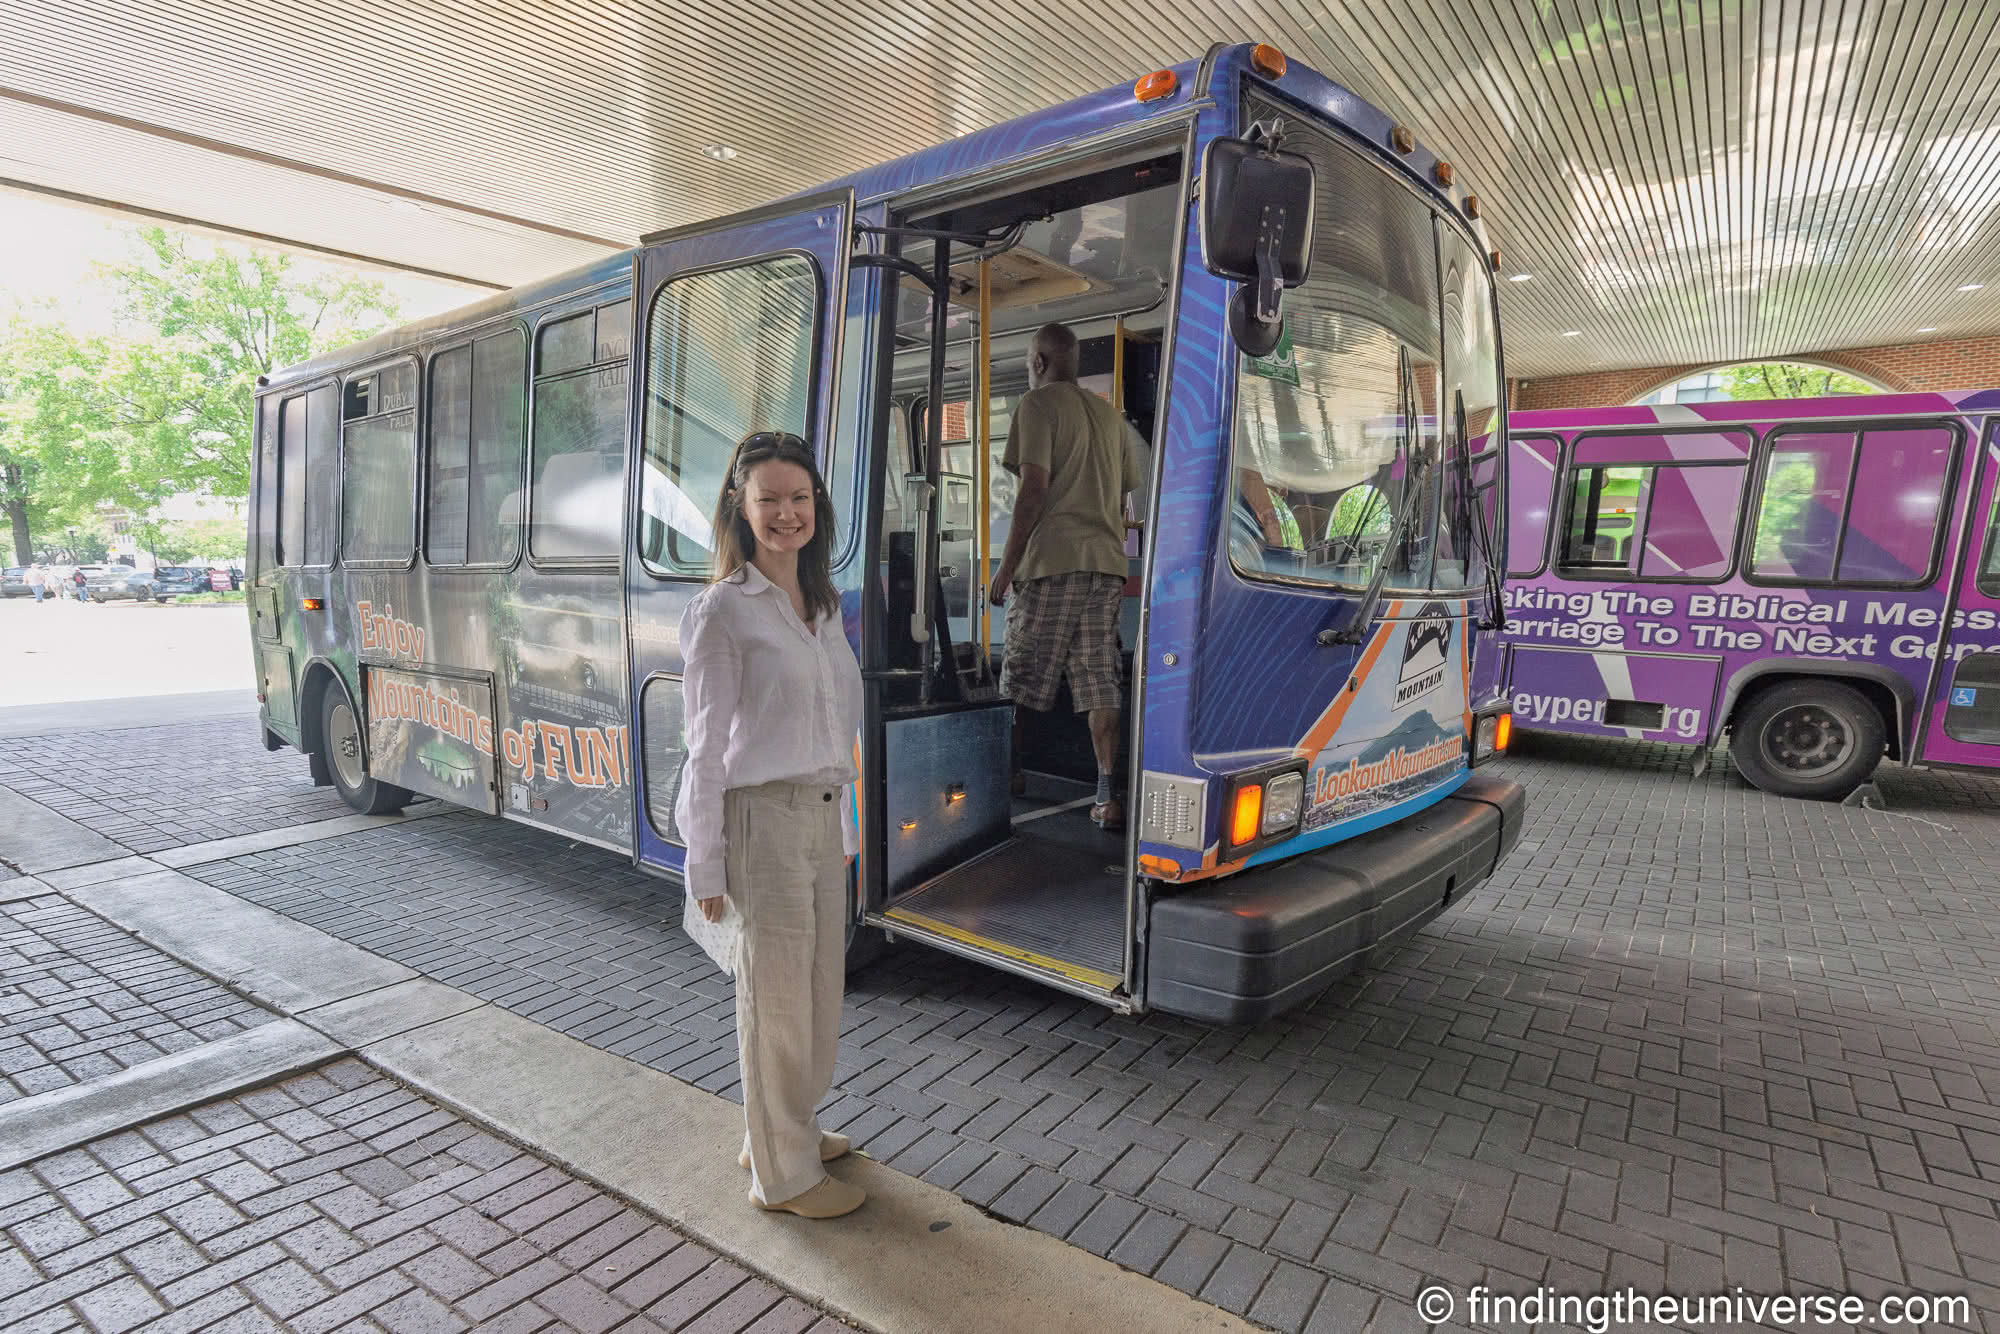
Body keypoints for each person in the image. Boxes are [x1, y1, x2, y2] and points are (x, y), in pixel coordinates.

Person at [676, 431, 866, 1221]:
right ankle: (781, 1177)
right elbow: (705, 745)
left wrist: (846, 827)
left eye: (799, 497)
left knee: (819, 991)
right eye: (769, 500)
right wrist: (705, 864)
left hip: (821, 820)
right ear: (741, 508)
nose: (787, 513)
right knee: (777, 1000)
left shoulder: (820, 606)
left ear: (816, 503)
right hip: (764, 821)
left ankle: (784, 1129)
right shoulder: (724, 610)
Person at [987, 322, 1144, 831]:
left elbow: (1033, 490)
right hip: (1103, 566)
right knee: (1099, 680)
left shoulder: (1036, 406)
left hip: (1051, 561)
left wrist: (1005, 570)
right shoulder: (1110, 418)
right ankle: (1105, 796)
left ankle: (1007, 780)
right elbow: (1124, 504)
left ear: (1038, 362)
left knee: (1020, 673)